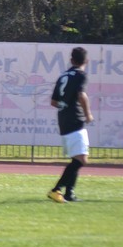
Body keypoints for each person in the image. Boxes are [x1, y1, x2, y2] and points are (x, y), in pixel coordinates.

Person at [48, 46, 93, 203]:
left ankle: (69, 193)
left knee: (76, 157)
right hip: (75, 119)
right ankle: (56, 190)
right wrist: (87, 114)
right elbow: (81, 95)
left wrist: (65, 106)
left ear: (71, 60)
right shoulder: (81, 75)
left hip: (63, 120)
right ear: (86, 61)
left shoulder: (63, 76)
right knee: (82, 159)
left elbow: (54, 102)